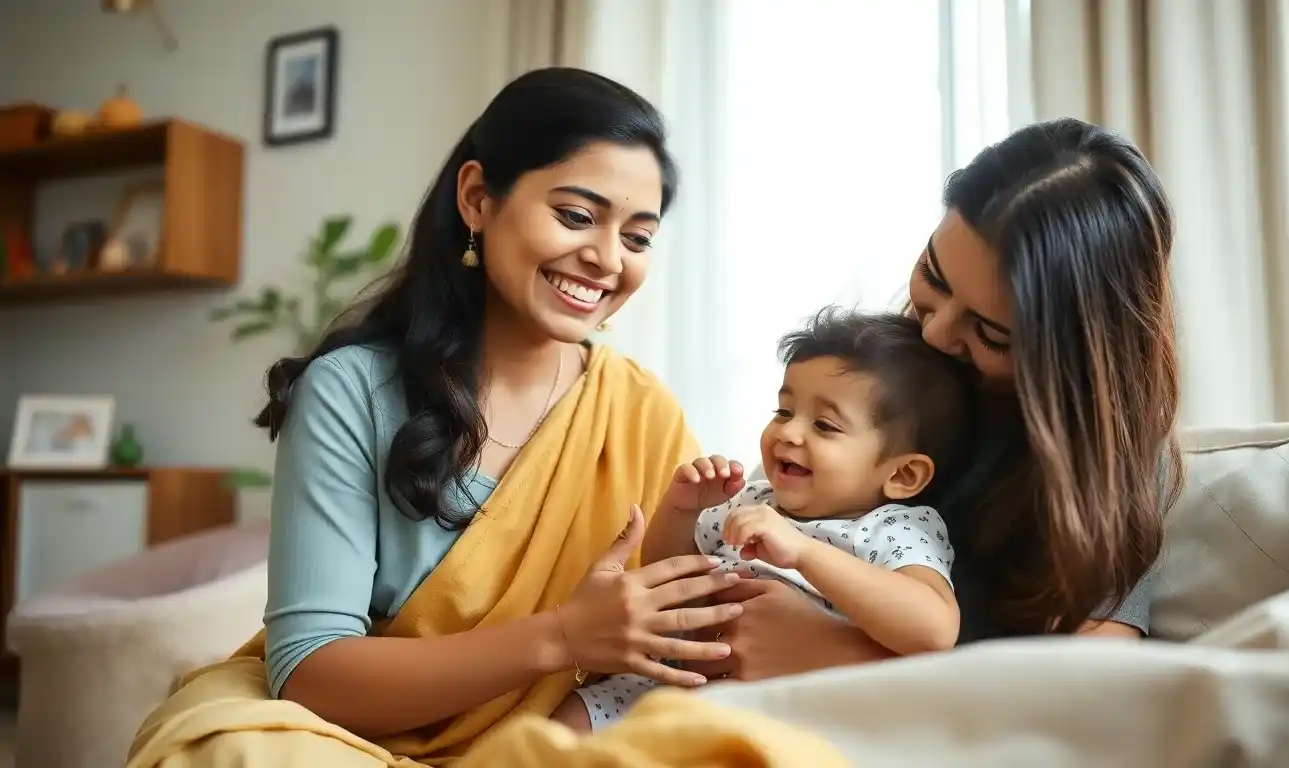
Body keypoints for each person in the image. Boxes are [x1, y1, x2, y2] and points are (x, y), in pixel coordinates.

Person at [127, 67, 745, 767]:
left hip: (551, 746)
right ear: (478, 198)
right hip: (349, 737)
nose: (607, 260)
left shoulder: (637, 410)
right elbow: (310, 674)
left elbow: (689, 626)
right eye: (576, 216)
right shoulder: (352, 390)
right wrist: (565, 636)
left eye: (638, 238)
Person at [678, 116, 1184, 684]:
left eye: (991, 332)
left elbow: (1090, 686)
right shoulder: (885, 376)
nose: (936, 333)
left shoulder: (1113, 467)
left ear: (1073, 350)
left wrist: (843, 656)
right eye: (933, 278)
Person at [552, 309, 981, 732]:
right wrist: (682, 510)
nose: (790, 433)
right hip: (673, 680)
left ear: (902, 475)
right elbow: (671, 572)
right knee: (573, 719)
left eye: (825, 425)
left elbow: (934, 630)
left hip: (783, 706)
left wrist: (806, 553)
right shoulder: (753, 499)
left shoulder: (896, 530)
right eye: (784, 411)